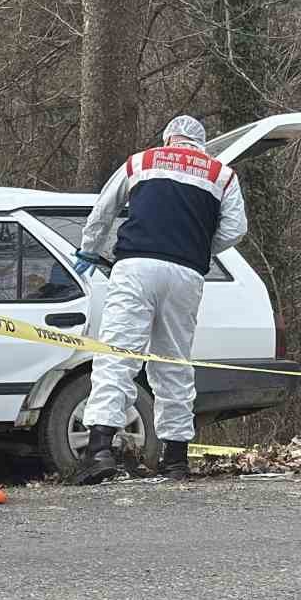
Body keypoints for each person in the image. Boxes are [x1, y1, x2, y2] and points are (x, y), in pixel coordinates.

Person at [68, 115, 248, 484]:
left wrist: (90, 249)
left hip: (136, 265)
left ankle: (99, 448)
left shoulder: (142, 161)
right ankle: (175, 457)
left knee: (117, 356)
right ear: (200, 144)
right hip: (186, 274)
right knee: (173, 362)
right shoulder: (221, 174)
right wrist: (197, 248)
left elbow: (104, 208)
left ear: (169, 139)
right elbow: (235, 228)